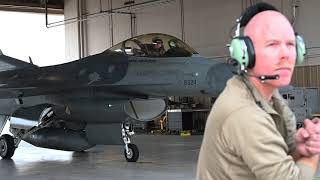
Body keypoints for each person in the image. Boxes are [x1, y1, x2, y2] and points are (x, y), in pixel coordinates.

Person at [197, 2, 320, 180]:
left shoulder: (270, 97)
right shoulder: (243, 113)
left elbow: (279, 162)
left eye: (291, 44)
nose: (285, 54)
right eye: (272, 44)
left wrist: (300, 148)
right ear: (245, 53)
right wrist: (312, 154)